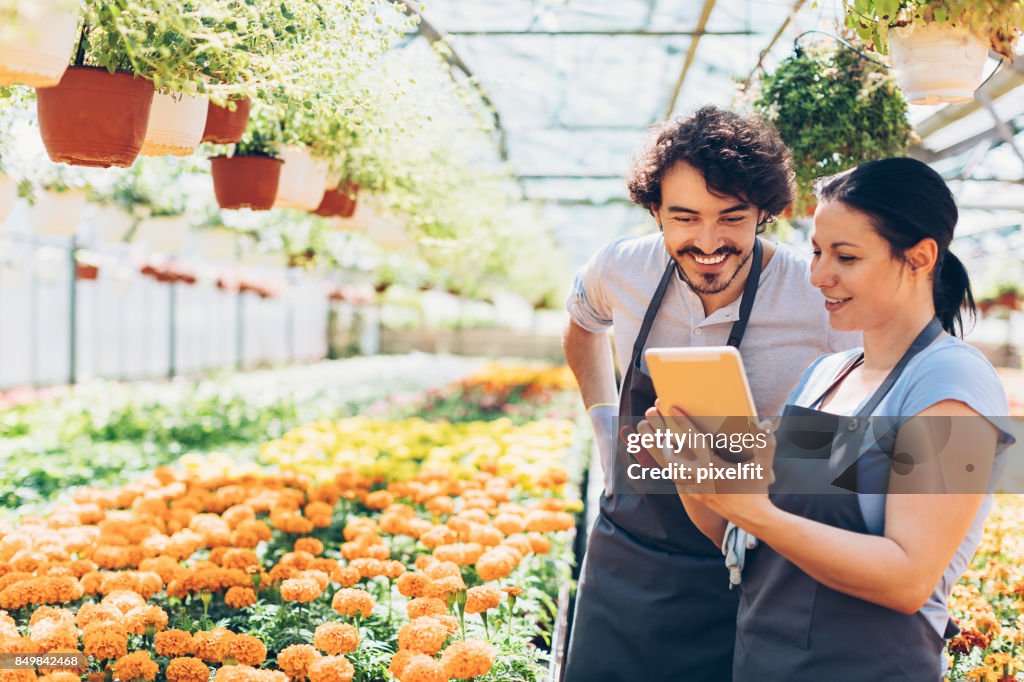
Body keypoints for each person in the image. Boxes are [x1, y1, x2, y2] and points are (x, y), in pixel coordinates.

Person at [641, 157, 1016, 681]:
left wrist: (755, 513)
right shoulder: (825, 375)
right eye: (817, 252)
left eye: (845, 256)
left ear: (921, 257)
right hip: (763, 659)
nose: (819, 275)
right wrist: (691, 471)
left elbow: (908, 577)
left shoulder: (952, 382)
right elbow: (740, 538)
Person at [561, 105, 859, 682]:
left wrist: (783, 451)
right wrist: (603, 419)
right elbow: (581, 326)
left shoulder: (816, 294)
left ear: (763, 214)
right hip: (627, 552)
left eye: (731, 218)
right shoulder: (619, 269)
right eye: (684, 217)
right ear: (655, 212)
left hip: (751, 562)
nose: (707, 241)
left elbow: (871, 420)